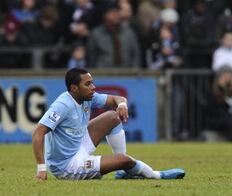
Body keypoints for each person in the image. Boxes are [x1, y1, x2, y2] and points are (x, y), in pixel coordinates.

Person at [32, 68, 185, 180]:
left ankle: (123, 172)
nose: (93, 87)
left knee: (113, 116)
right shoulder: (63, 105)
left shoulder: (87, 97)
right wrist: (41, 169)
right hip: (66, 164)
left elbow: (117, 99)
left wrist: (122, 105)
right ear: (74, 88)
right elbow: (38, 132)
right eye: (88, 84)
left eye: (92, 83)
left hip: (79, 145)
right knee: (124, 160)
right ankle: (156, 175)